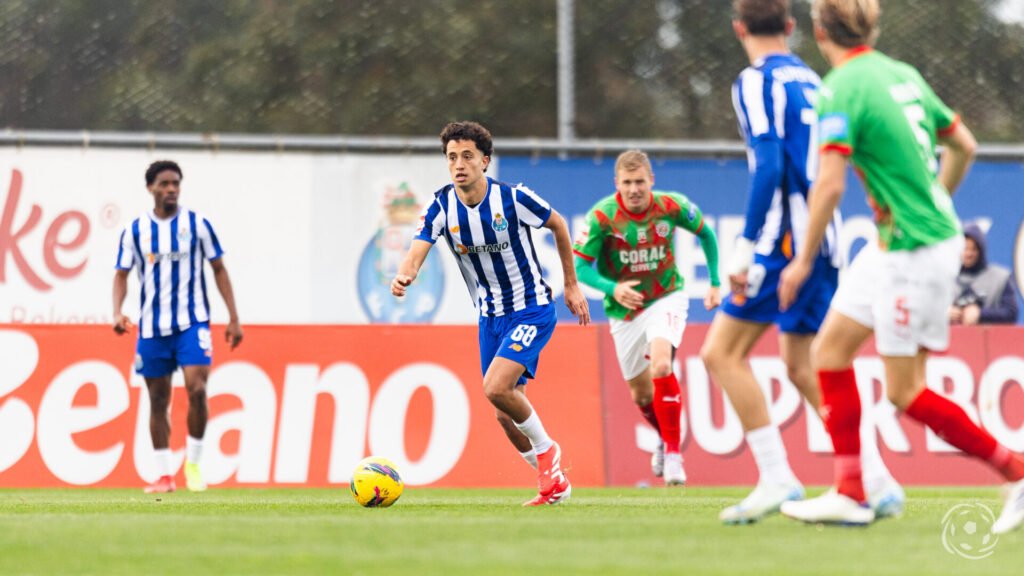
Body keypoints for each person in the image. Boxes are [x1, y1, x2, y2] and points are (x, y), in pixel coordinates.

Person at [778, 0, 1024, 532]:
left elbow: (830, 184)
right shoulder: (901, 73)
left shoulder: (841, 87)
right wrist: (935, 198)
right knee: (830, 351)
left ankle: (1017, 472)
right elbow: (963, 143)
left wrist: (800, 261)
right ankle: (851, 492)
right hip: (905, 242)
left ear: (820, 31)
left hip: (915, 249)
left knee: (904, 391)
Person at [700, 0, 902, 524]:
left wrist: (745, 249)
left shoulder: (754, 80)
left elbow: (768, 165)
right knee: (805, 365)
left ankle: (776, 477)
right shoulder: (816, 79)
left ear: (738, 28)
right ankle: (876, 478)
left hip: (783, 242)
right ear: (791, 28)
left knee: (720, 354)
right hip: (823, 237)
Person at [391, 121, 590, 506]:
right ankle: (553, 484)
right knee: (503, 413)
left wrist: (571, 284)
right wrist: (405, 274)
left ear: (485, 160)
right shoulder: (440, 206)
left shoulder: (513, 199)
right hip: (490, 318)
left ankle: (548, 450)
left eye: (467, 156)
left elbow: (559, 225)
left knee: (495, 387)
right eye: (452, 157)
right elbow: (417, 251)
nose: (459, 164)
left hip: (531, 308)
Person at [573, 149, 721, 486]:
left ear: (651, 180)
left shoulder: (671, 206)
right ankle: (663, 436)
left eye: (640, 181)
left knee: (662, 365)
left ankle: (672, 454)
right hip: (624, 312)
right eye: (627, 183)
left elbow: (707, 235)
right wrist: (613, 288)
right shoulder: (602, 218)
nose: (634, 189)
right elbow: (580, 266)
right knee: (641, 396)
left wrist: (714, 283)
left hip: (665, 296)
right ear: (617, 184)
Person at [113, 160, 244, 494]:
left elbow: (218, 269)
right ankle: (164, 475)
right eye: (165, 184)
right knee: (158, 399)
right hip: (153, 329)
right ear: (151, 188)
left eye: (176, 184)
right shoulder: (135, 231)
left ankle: (195, 465)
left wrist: (233, 317)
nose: (171, 189)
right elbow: (121, 275)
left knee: (197, 388)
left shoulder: (197, 225)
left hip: (192, 322)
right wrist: (117, 312)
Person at [950, 222, 1019, 325]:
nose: (968, 254)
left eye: (973, 249)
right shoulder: (944, 277)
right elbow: (923, 312)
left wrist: (981, 314)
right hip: (949, 340)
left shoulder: (1000, 277)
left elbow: (1011, 313)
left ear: (981, 251)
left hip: (990, 339)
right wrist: (941, 314)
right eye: (964, 248)